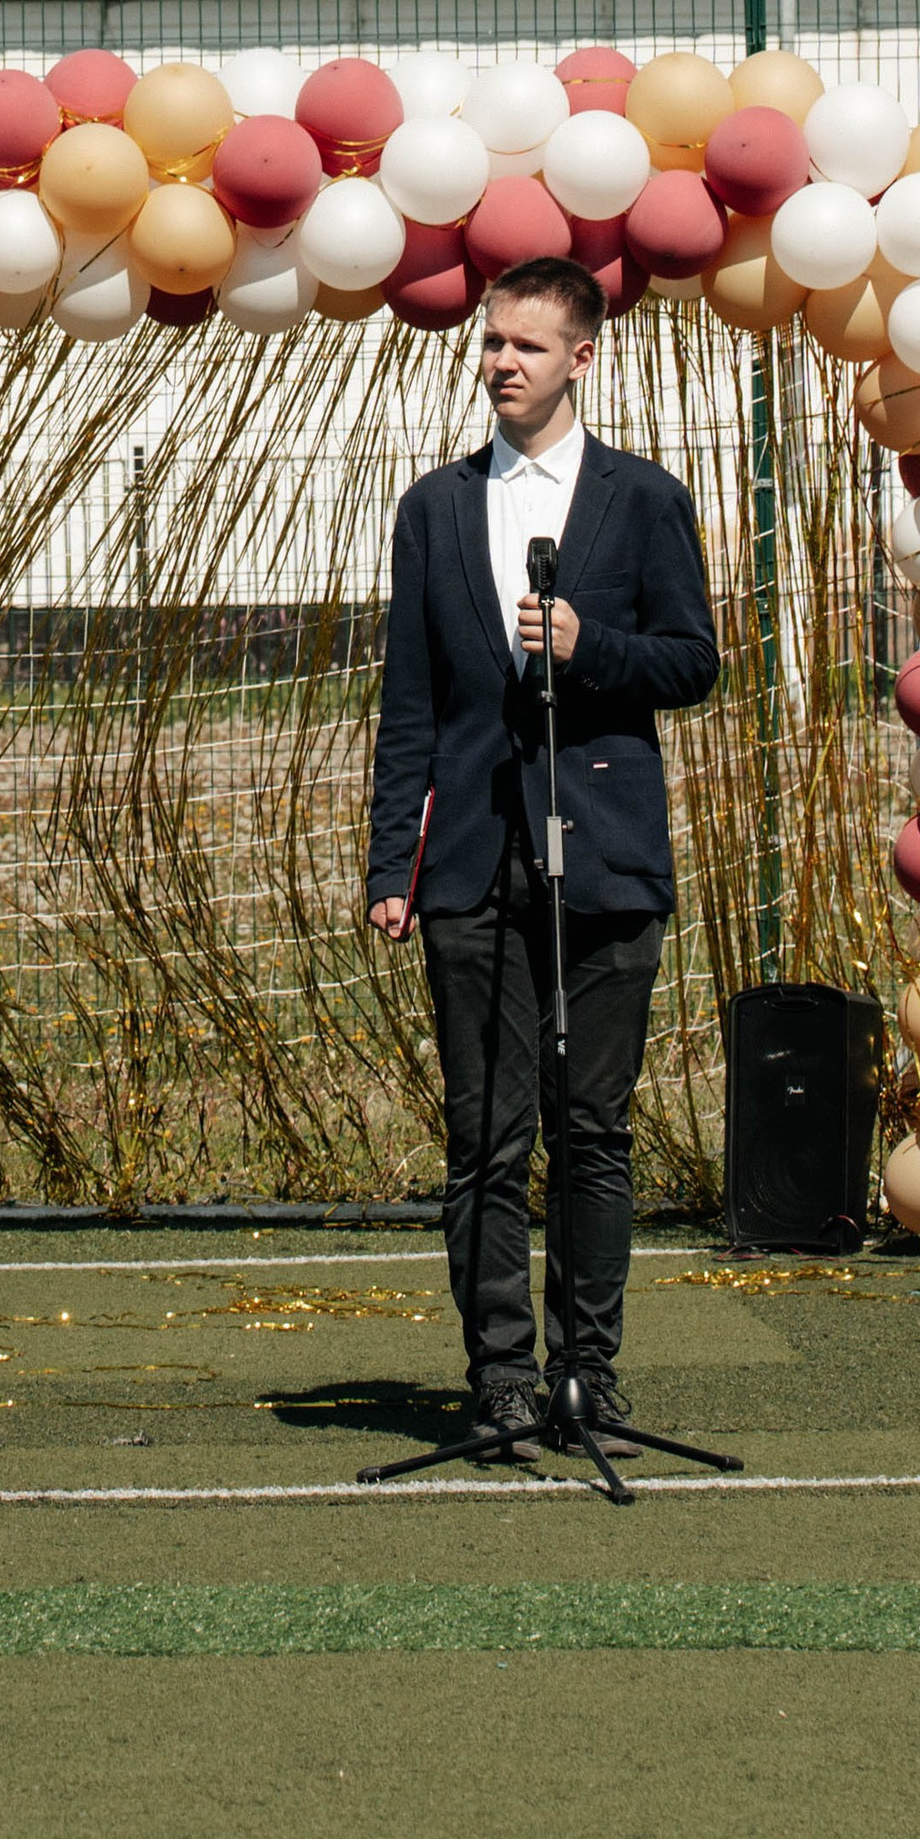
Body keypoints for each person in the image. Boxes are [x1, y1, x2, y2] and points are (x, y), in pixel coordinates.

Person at [365, 255, 719, 1463]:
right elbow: (407, 703)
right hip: (470, 862)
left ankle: (589, 1373)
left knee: (594, 1128)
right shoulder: (433, 508)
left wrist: (588, 643)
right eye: (490, 343)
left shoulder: (643, 499)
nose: (500, 362)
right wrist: (386, 868)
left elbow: (692, 663)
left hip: (606, 856)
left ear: (581, 356)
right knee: (485, 1139)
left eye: (525, 345)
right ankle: (502, 1379)